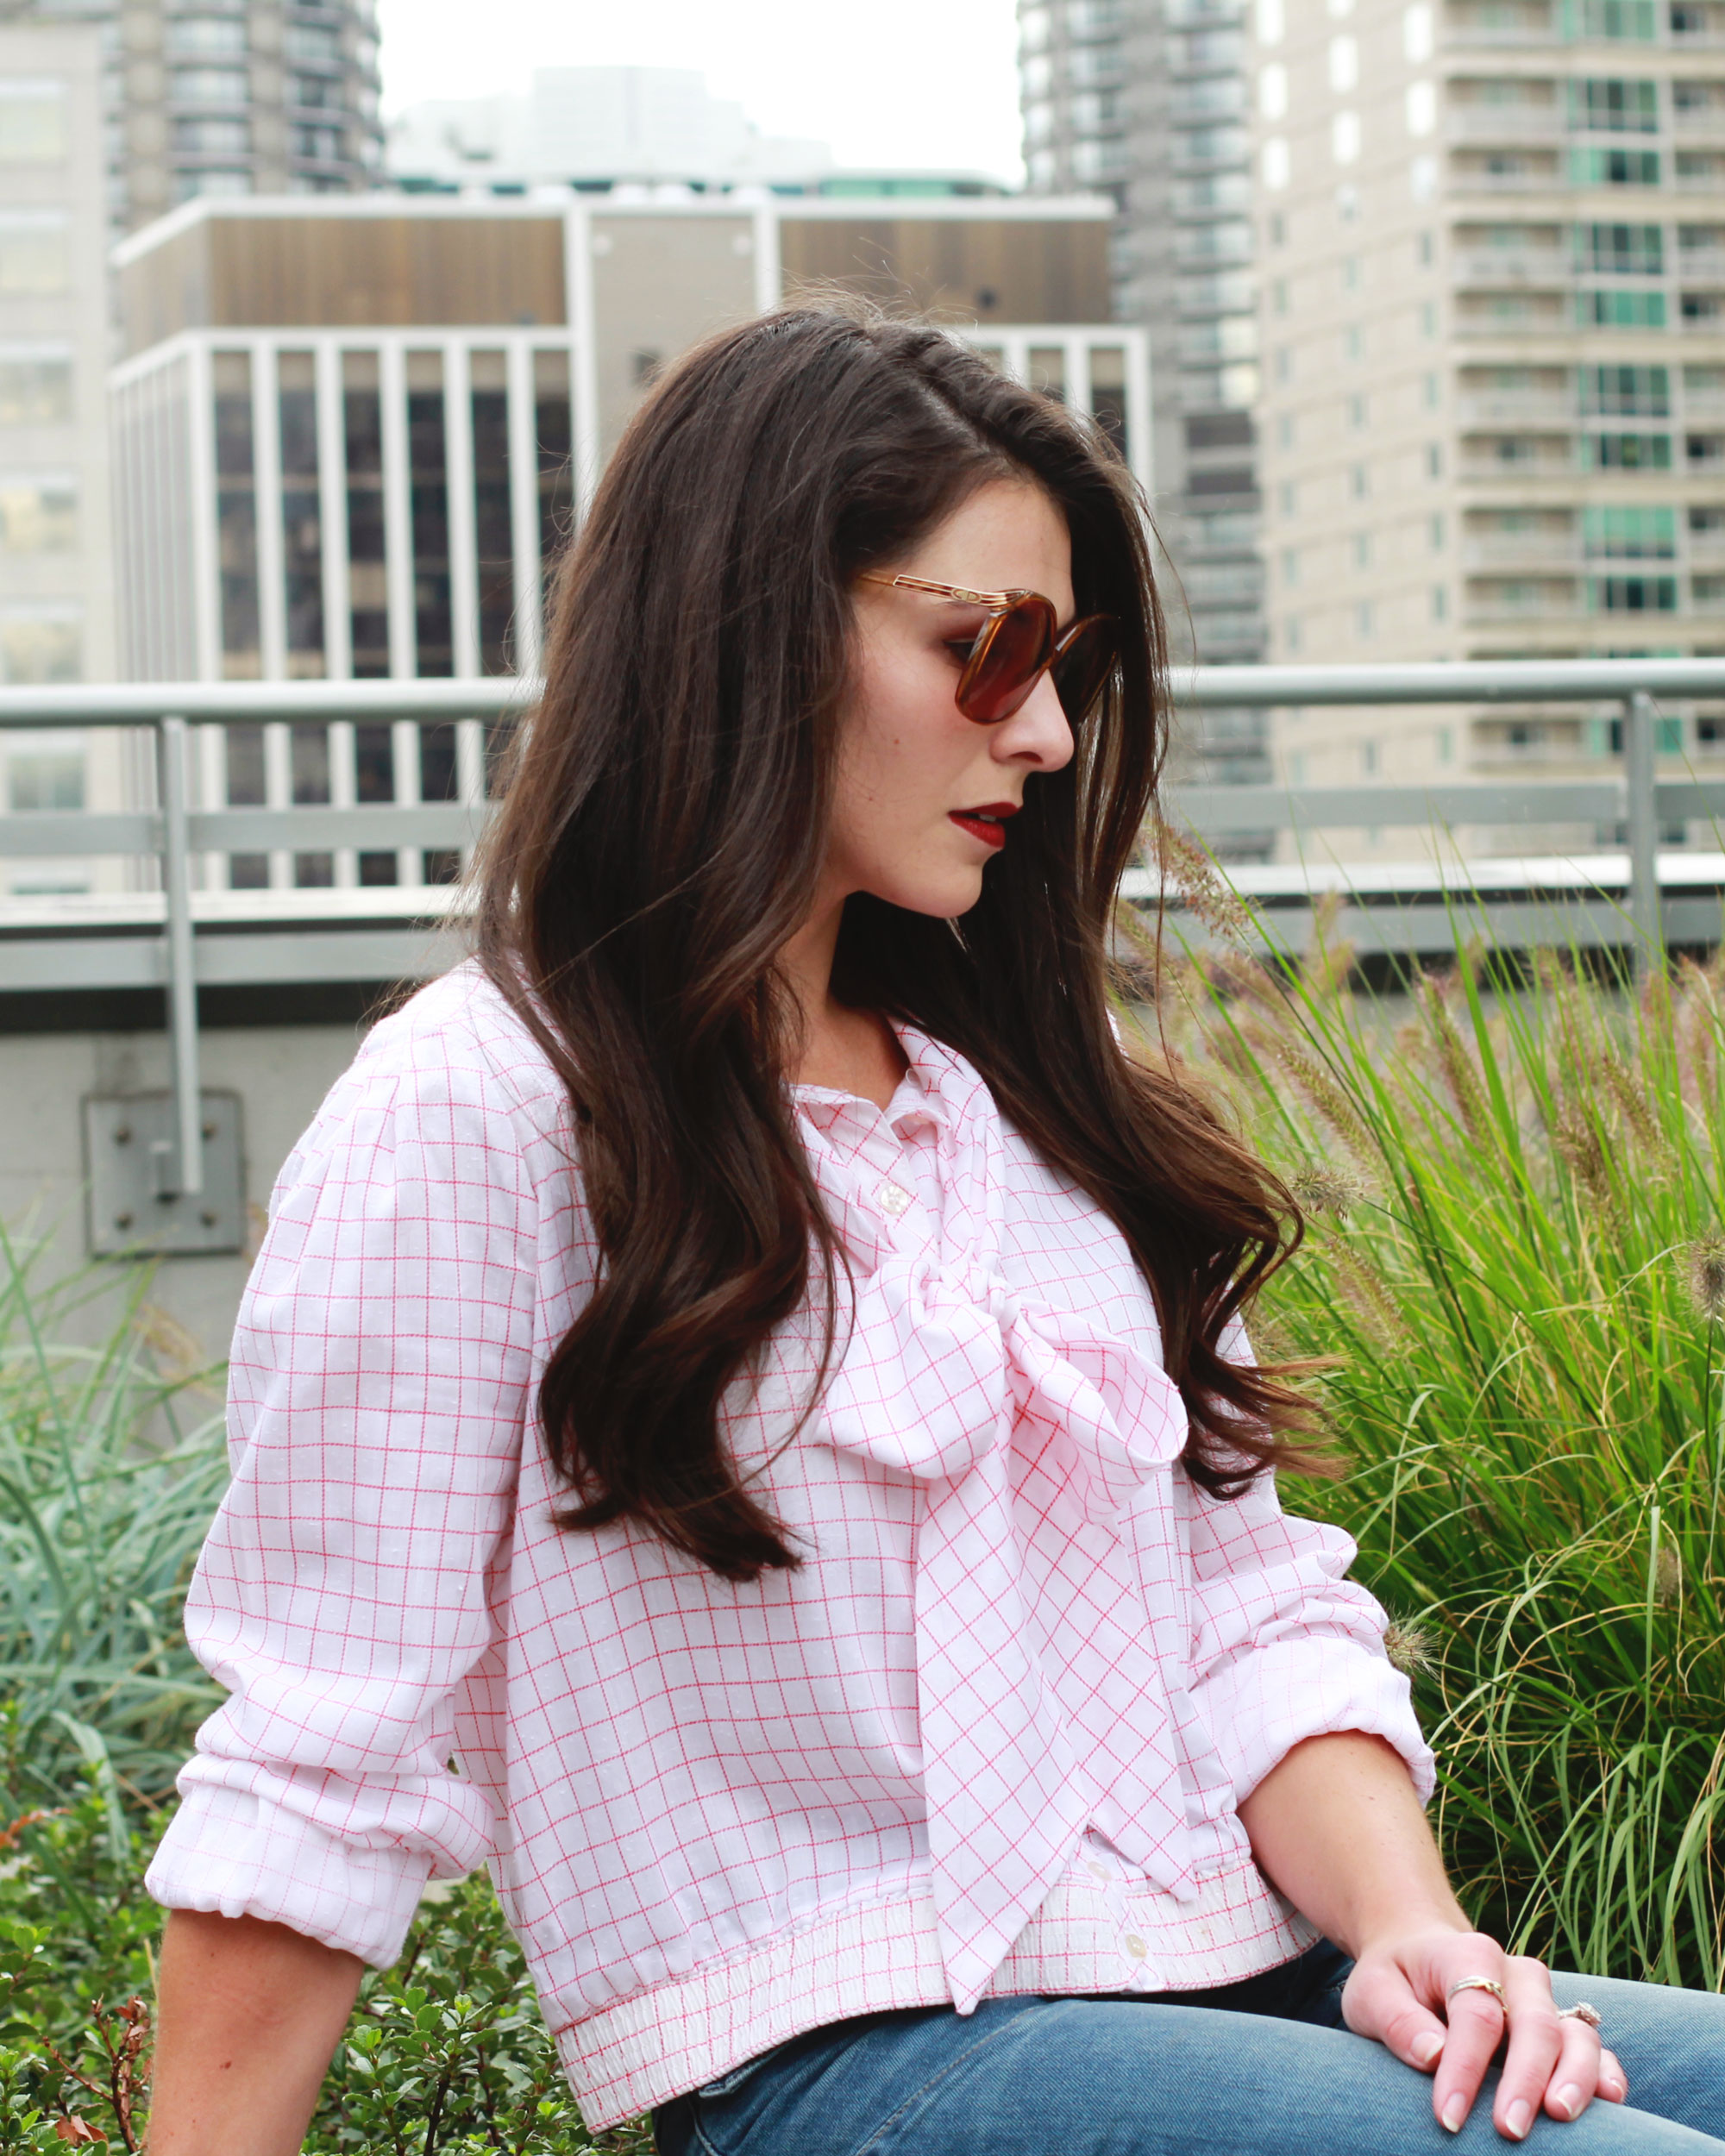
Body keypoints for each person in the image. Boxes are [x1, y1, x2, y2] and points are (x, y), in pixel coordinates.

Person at [144, 307, 1724, 2156]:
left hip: (1239, 1968)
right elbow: (319, 1755)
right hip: (853, 2051)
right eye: (984, 650)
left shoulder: (1018, 1098)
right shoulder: (484, 1106)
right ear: (746, 631)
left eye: (1066, 669)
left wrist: (1412, 1931)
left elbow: (1246, 1605)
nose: (1048, 732)